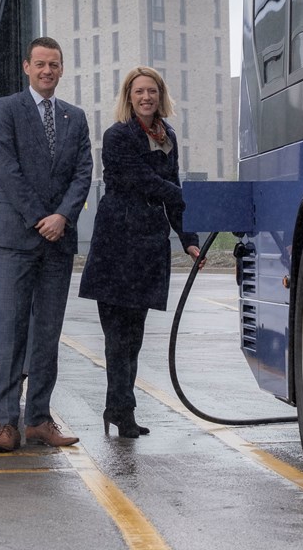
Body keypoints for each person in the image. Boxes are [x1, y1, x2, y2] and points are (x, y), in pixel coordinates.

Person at [78, 66, 203, 438]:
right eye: (139, 92)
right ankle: (122, 410)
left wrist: (188, 236)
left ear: (160, 96)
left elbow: (172, 183)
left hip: (149, 243)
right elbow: (139, 179)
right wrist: (175, 193)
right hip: (117, 244)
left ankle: (117, 407)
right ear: (128, 98)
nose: (146, 97)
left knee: (134, 336)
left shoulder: (167, 137)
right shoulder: (117, 136)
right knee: (117, 336)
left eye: (152, 91)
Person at [0, 37, 93, 452]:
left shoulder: (75, 117)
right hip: (17, 237)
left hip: (58, 241)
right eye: (41, 64)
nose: (48, 71)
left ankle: (40, 420)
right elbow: (6, 170)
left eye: (55, 64)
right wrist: (39, 218)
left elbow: (83, 173)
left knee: (48, 333)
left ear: (62, 70)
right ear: (26, 67)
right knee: (12, 331)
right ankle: (8, 425)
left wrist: (62, 217)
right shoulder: (6, 110)